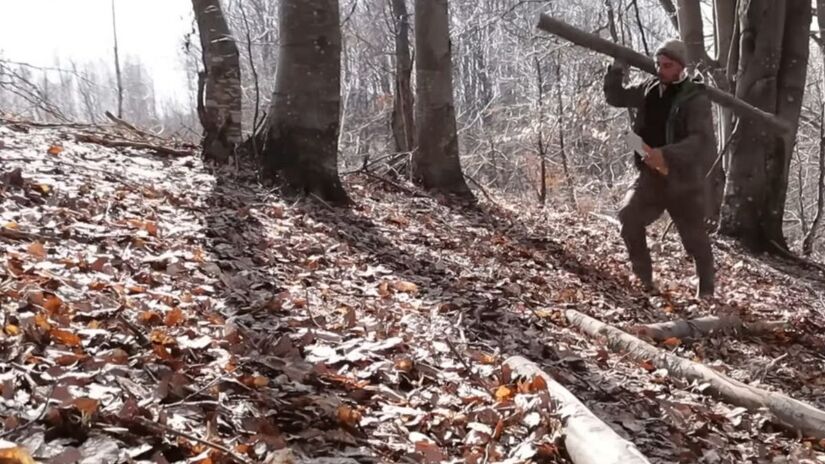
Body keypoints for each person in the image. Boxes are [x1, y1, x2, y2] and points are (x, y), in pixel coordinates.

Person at [603, 39, 716, 299]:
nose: (661, 69)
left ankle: (706, 292)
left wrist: (665, 154)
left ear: (680, 68)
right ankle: (644, 281)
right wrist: (617, 67)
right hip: (650, 176)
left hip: (682, 180)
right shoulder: (648, 87)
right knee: (628, 216)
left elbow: (701, 141)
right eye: (658, 64)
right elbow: (616, 97)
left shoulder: (695, 98)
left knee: (695, 239)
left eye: (667, 65)